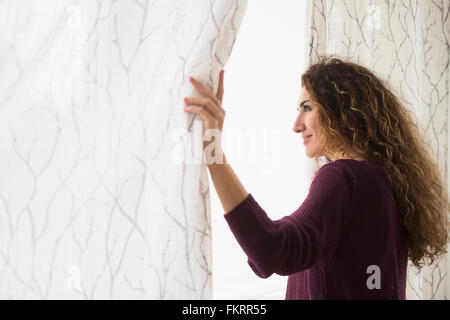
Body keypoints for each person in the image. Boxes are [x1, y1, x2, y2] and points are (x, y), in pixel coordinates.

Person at [183, 56, 449, 300]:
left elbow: (272, 250)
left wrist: (214, 154)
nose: (296, 125)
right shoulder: (383, 181)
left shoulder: (345, 177)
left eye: (307, 107)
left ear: (342, 109)